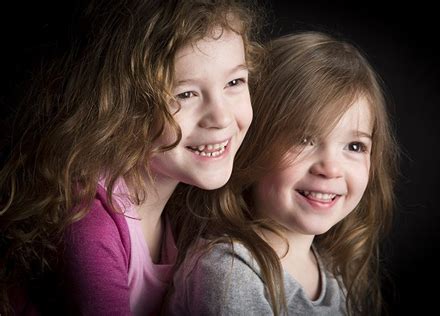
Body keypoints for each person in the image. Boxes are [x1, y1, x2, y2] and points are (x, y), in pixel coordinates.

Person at [0, 0, 263, 314]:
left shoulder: (187, 209)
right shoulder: (87, 221)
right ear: (122, 106)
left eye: (234, 82)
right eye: (185, 94)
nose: (220, 117)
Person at [166, 31, 399, 315]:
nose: (331, 168)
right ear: (254, 144)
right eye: (304, 140)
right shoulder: (229, 272)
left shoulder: (330, 271)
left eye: (354, 145)